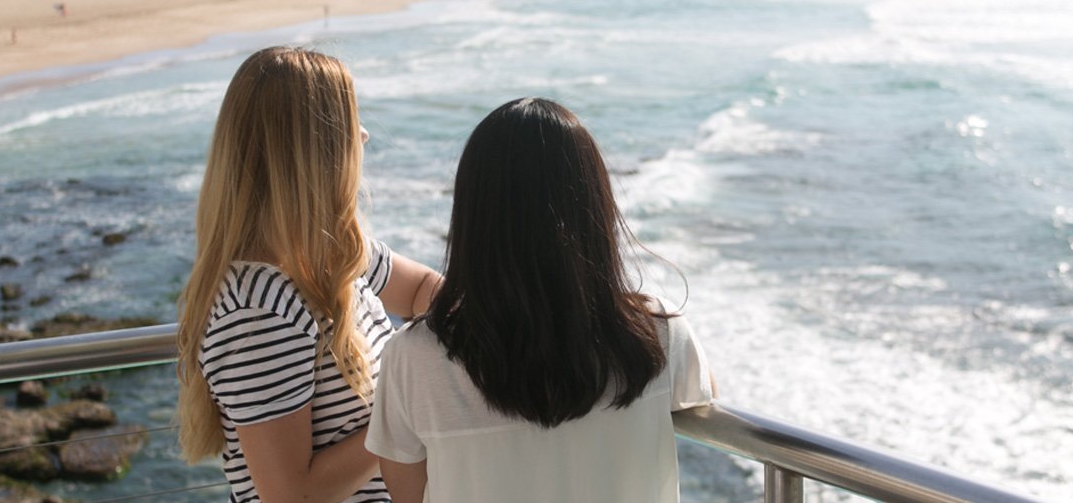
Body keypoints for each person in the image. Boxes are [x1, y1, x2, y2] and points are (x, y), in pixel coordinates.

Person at [366, 98, 714, 503]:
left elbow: (408, 494)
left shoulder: (414, 357)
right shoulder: (659, 334)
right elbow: (701, 398)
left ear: (472, 215)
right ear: (595, 207)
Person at [177, 46, 442, 503]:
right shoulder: (257, 310)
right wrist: (405, 413)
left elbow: (421, 289)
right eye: (349, 122)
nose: (364, 135)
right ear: (312, 152)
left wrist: (490, 321)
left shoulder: (333, 251)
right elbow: (291, 496)